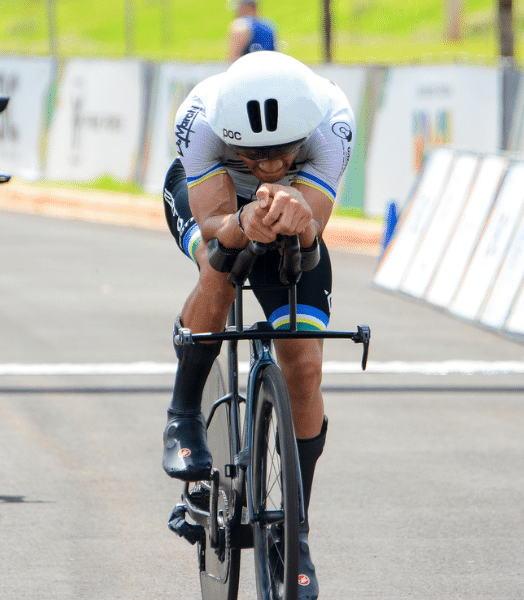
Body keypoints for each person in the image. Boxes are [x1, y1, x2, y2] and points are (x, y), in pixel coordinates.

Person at [162, 50, 355, 600]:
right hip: (219, 202)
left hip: (295, 214)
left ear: (306, 134)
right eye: (253, 152)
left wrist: (296, 215)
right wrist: (240, 223)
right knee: (219, 264)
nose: (269, 165)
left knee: (304, 362)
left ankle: (295, 533)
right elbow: (215, 222)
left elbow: (310, 233)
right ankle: (182, 412)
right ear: (230, 135)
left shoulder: (332, 121)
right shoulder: (199, 118)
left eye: (282, 152)